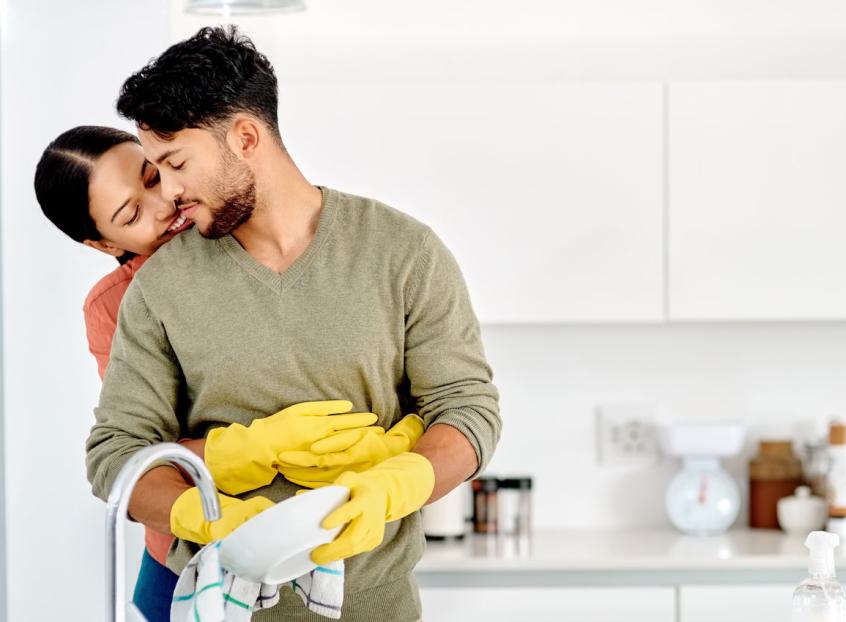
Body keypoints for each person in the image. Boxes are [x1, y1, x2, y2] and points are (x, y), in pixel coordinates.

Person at [86, 24, 501, 621]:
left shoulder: (403, 252)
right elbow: (115, 456)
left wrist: (398, 484)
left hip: (374, 608)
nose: (170, 192)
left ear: (246, 137)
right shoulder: (160, 288)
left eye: (175, 164)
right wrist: (204, 515)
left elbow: (467, 410)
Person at [35, 127, 424, 621]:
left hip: (342, 553)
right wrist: (252, 449)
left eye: (155, 175)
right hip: (189, 559)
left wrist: (395, 444)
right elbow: (142, 453)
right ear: (102, 243)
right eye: (130, 215)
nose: (165, 203)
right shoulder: (119, 306)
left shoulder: (278, 238)